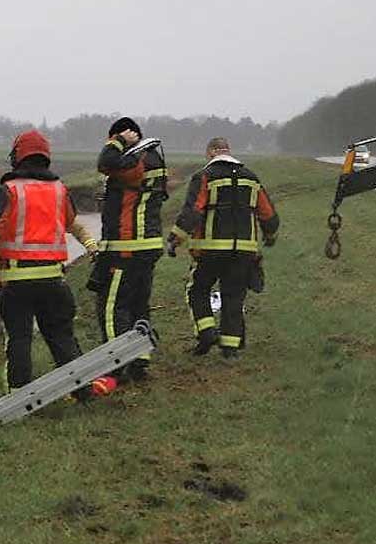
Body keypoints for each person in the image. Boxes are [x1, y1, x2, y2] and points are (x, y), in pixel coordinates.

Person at [0, 129, 99, 397]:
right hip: (55, 282)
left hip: (16, 284)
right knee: (62, 336)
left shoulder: (9, 190)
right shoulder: (60, 190)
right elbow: (72, 223)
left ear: (17, 157)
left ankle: (19, 399)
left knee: (19, 341)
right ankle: (82, 391)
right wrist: (91, 246)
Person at [168, 137, 280, 359]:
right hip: (244, 252)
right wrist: (270, 236)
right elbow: (268, 214)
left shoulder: (204, 176)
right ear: (229, 151)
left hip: (210, 250)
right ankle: (230, 349)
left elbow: (193, 211)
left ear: (210, 153)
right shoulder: (251, 178)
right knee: (234, 296)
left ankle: (206, 332)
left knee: (197, 290)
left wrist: (174, 239)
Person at [91, 116, 169, 381]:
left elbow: (105, 162)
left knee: (113, 307)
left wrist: (118, 142)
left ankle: (116, 365)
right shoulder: (153, 159)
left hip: (127, 248)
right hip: (147, 247)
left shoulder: (135, 160)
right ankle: (140, 361)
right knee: (139, 305)